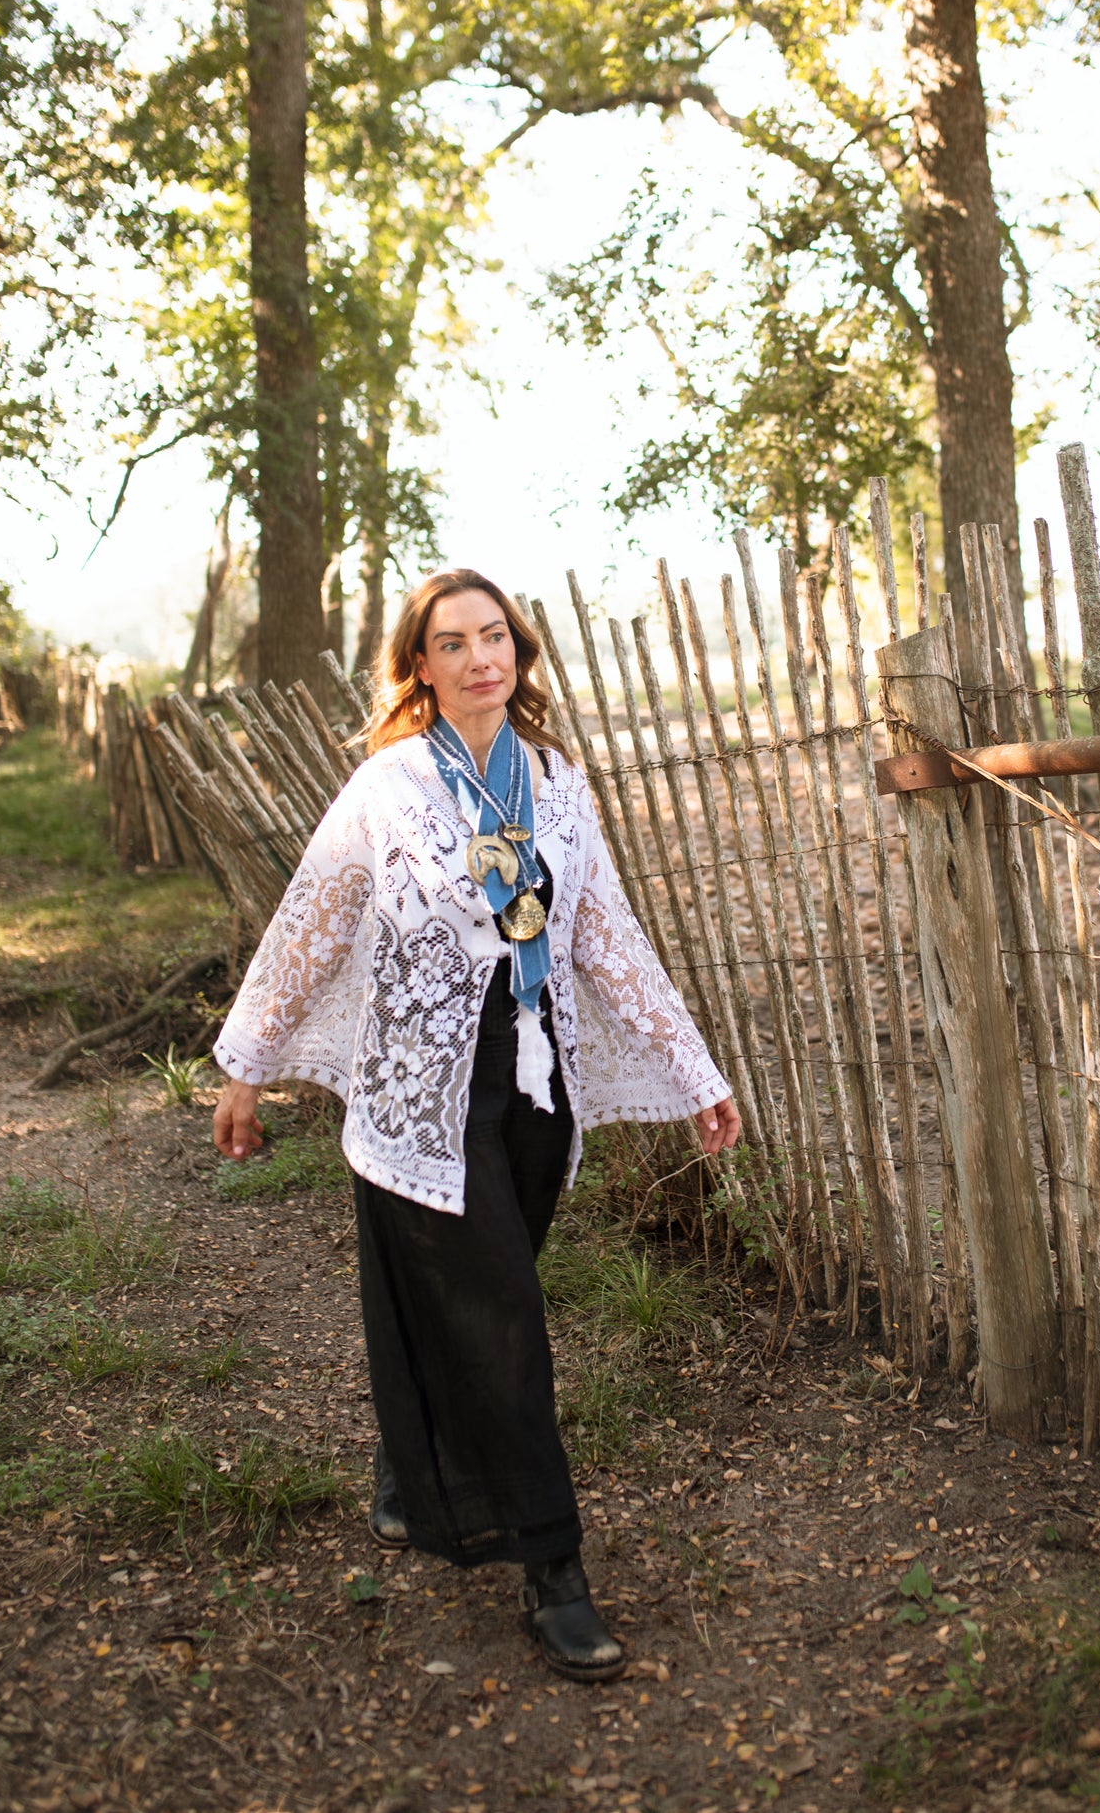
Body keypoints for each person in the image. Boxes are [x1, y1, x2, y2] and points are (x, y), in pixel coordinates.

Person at [210, 570, 741, 1682]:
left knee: (466, 1294)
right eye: (450, 643)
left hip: (535, 1083)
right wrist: (247, 1072)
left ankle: (412, 1464)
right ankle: (554, 1568)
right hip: (421, 1088)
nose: (477, 657)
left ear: (519, 651)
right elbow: (311, 924)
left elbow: (604, 933)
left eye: (492, 635)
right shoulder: (387, 788)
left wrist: (694, 1072)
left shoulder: (555, 783)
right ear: (420, 668)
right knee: (501, 1321)